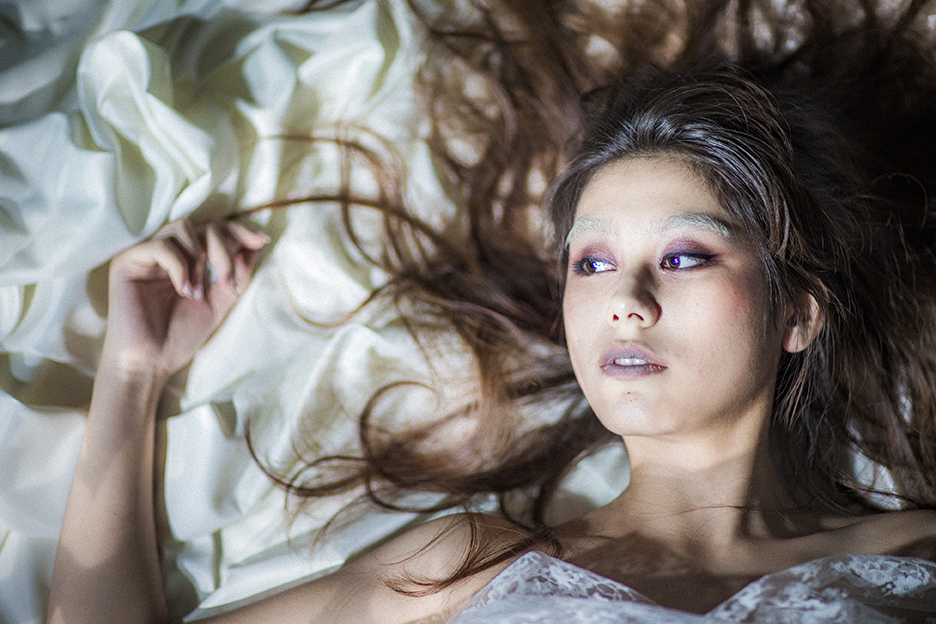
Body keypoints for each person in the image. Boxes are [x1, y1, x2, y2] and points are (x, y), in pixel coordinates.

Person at [48, 0, 936, 622]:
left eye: (682, 257)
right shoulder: (459, 567)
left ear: (799, 315)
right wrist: (130, 372)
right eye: (592, 263)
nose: (625, 304)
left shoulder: (915, 555)